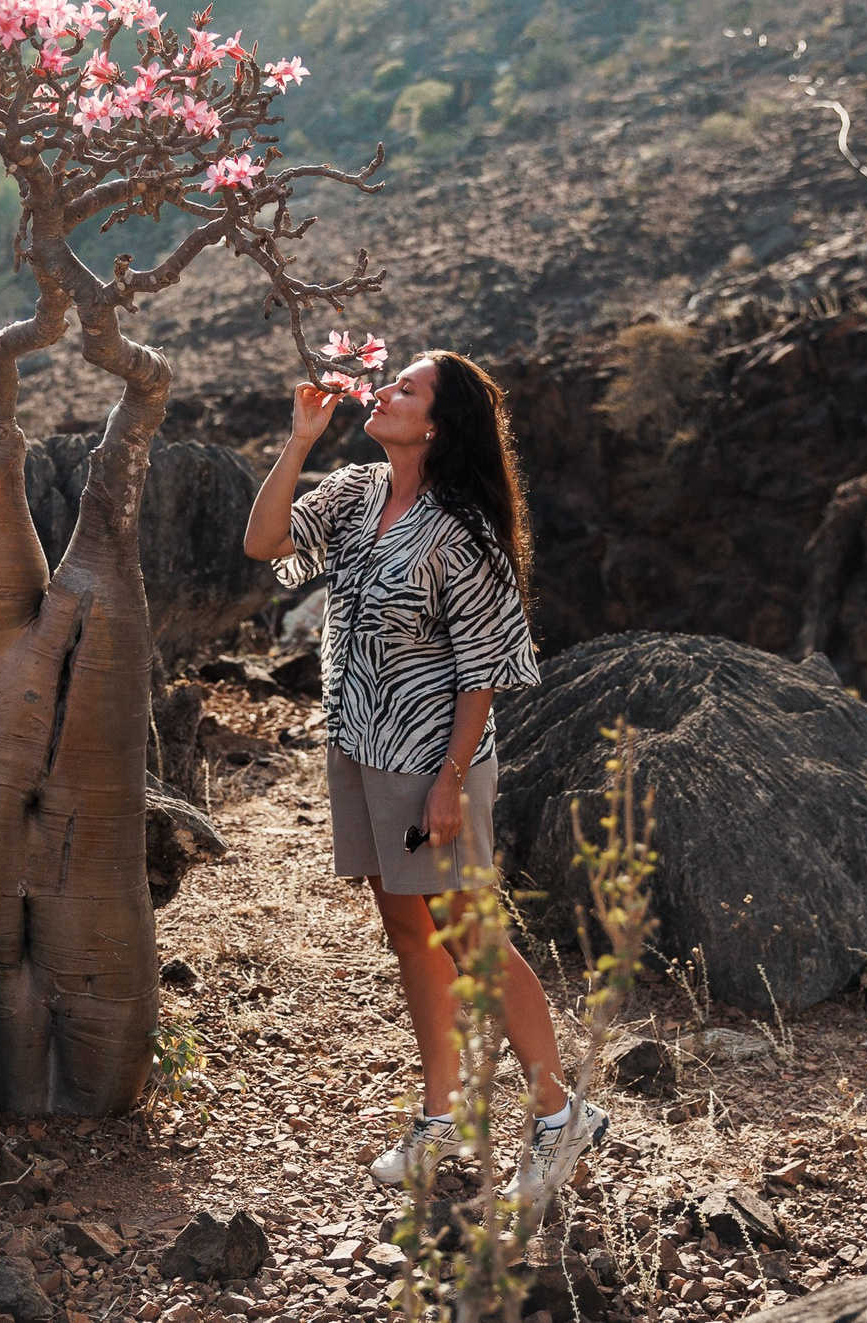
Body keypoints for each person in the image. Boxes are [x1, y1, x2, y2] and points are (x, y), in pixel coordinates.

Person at [243, 350, 606, 1210]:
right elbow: (263, 543)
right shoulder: (357, 492)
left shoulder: (464, 528)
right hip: (359, 745)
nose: (383, 391)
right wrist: (298, 441)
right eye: (390, 379)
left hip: (427, 762)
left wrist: (448, 780)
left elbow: (484, 667)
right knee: (410, 932)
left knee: (473, 933)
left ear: (437, 423)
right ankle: (442, 1120)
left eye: (405, 387)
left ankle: (560, 1114)